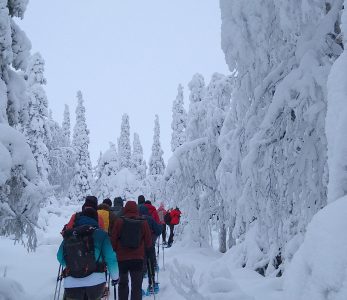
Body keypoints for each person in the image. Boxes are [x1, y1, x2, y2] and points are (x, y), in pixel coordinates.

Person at [57, 207, 119, 300]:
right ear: (96, 219)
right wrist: (115, 277)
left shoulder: (70, 235)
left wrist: (75, 264)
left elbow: (59, 256)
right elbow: (111, 258)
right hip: (96, 282)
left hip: (71, 283)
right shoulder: (101, 235)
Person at [111, 201, 152, 300]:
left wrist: (116, 251)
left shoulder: (119, 221)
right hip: (138, 259)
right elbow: (148, 242)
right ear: (136, 209)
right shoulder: (143, 222)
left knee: (123, 284)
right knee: (136, 286)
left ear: (125, 209)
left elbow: (113, 240)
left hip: (122, 259)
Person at [138, 205, 162, 294]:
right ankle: (151, 285)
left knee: (140, 266)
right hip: (149, 244)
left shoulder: (135, 219)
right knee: (150, 264)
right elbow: (158, 231)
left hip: (138, 247)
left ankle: (138, 288)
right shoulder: (150, 219)